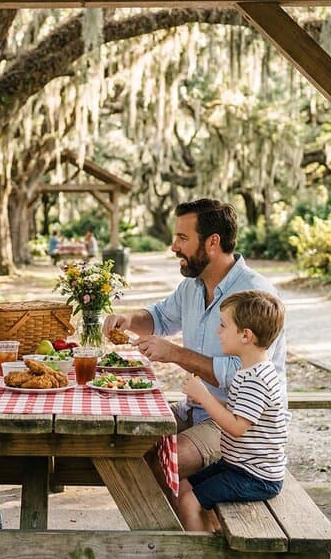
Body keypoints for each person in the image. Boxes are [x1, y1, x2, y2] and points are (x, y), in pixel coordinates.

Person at [102, 198, 286, 479]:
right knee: (121, 440)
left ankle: (191, 518)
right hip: (193, 408)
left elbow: (244, 374)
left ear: (212, 242)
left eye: (182, 238)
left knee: (163, 463)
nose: (174, 246)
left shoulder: (255, 295)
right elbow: (159, 317)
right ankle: (189, 515)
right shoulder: (192, 285)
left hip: (237, 425)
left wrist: (175, 354)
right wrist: (128, 320)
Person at [176, 290, 288, 531]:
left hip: (256, 475)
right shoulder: (248, 371)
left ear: (245, 335)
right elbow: (239, 410)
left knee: (188, 500)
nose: (218, 331)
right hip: (237, 464)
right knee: (182, 484)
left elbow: (237, 427)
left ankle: (198, 552)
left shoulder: (257, 379)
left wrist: (204, 396)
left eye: (223, 325)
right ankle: (206, 534)